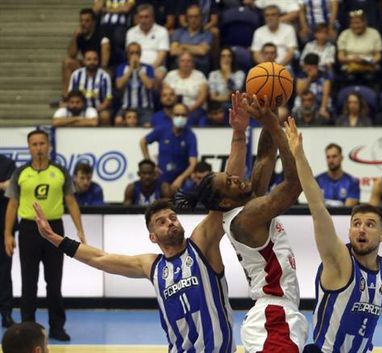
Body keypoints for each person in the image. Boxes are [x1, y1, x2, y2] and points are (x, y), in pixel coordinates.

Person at [32, 91, 251, 352]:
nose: (170, 222)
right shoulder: (151, 265)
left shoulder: (201, 243)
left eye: (172, 217)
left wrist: (239, 135)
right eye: (161, 222)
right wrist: (56, 239)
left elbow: (227, 187)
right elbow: (99, 259)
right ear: (153, 237)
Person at [284, 118, 382, 353]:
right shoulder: (338, 261)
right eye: (356, 224)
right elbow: (317, 205)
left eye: (369, 224)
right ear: (349, 231)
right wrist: (298, 155)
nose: (361, 229)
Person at [190, 97, 308, 352]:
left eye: (230, 175)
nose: (236, 178)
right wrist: (274, 125)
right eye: (229, 182)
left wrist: (270, 105)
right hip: (274, 316)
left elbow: (266, 156)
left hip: (274, 315)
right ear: (223, 201)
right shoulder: (247, 217)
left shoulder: (249, 204)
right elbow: (295, 184)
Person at [3, 130, 86, 341]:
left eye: (42, 143)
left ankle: (57, 327)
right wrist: (7, 233)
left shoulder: (60, 171)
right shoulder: (20, 173)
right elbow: (12, 204)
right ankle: (27, 328)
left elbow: (71, 202)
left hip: (55, 229)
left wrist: (80, 229)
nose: (39, 147)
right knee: (28, 282)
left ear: (48, 146)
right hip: (29, 230)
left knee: (54, 281)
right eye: (34, 144)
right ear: (29, 147)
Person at [140, 102, 198, 191]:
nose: (180, 118)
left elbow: (193, 163)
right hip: (162, 177)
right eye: (177, 115)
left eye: (183, 115)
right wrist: (151, 164)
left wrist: (181, 179)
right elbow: (143, 142)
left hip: (181, 179)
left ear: (188, 117)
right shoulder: (162, 129)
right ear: (171, 115)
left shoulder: (190, 135)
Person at [62, 8, 110, 97]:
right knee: (67, 62)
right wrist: (75, 37)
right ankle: (66, 96)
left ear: (93, 22)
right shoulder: (80, 35)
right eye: (81, 21)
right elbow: (71, 54)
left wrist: (103, 68)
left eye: (87, 21)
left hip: (101, 66)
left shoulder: (101, 33)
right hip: (87, 64)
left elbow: (106, 49)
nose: (83, 24)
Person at [337, 9, 382, 84]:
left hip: (369, 67)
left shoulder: (374, 33)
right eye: (353, 23)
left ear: (365, 22)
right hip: (349, 67)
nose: (356, 26)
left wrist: (368, 62)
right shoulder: (344, 34)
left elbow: (378, 55)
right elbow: (341, 57)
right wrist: (353, 60)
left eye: (358, 23)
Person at [68, 50, 113, 126]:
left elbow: (108, 99)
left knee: (105, 116)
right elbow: (71, 95)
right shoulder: (76, 75)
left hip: (99, 109)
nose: (92, 62)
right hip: (79, 109)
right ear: (84, 61)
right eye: (89, 59)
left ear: (98, 61)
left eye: (95, 59)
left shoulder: (105, 76)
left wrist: (94, 111)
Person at [115, 42, 155, 127]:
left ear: (140, 55)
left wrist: (138, 69)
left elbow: (149, 85)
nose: (134, 56)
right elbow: (119, 85)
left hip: (145, 107)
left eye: (137, 53)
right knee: (118, 121)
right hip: (126, 107)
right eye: (131, 53)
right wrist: (130, 69)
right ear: (127, 55)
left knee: (148, 125)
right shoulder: (121, 67)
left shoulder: (148, 68)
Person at [126, 4, 169, 82]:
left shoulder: (162, 31)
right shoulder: (131, 32)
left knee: (158, 75)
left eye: (146, 17)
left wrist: (149, 69)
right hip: (135, 66)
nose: (143, 20)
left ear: (152, 17)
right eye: (141, 17)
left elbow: (162, 55)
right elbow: (130, 54)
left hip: (157, 67)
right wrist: (137, 68)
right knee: (124, 73)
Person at [163, 52, 208, 126]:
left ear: (193, 63)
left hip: (195, 109)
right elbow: (165, 93)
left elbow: (202, 97)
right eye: (182, 61)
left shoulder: (199, 76)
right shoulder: (171, 75)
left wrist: (188, 110)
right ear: (178, 63)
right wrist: (176, 110)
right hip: (173, 109)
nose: (185, 63)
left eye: (188, 61)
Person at [170, 4, 213, 74]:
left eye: (196, 17)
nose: (193, 20)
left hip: (199, 68)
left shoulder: (207, 34)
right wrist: (195, 48)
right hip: (179, 68)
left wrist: (184, 46)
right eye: (190, 17)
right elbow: (173, 51)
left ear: (201, 17)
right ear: (187, 18)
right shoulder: (178, 32)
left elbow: (202, 51)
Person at [0, 155, 16, 328]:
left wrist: (8, 232)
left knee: (4, 272)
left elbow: (11, 188)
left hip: (3, 226)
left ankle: (6, 314)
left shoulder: (7, 163)